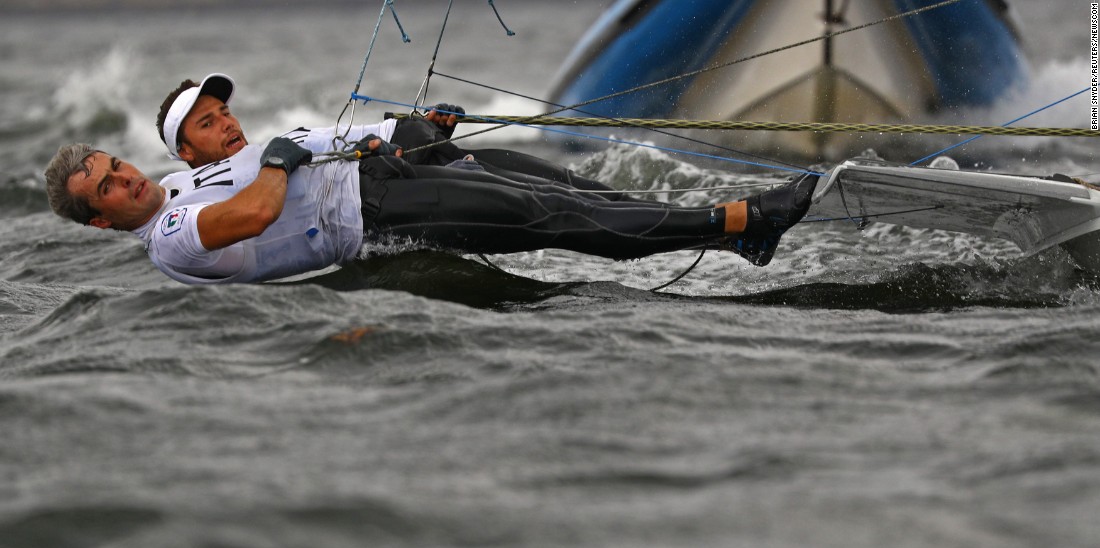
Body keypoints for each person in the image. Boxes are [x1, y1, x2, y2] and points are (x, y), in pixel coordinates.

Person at [43, 132, 817, 285]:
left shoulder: (174, 187)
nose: (125, 181)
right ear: (102, 221)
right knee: (557, 221)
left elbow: (258, 166)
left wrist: (394, 139)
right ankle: (747, 221)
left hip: (379, 185)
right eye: (106, 190)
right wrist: (282, 157)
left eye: (116, 167)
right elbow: (251, 215)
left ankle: (730, 232)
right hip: (375, 220)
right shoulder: (169, 236)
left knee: (564, 193)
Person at [156, 73, 617, 197]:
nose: (228, 123)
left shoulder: (280, 143)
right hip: (411, 189)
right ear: (185, 151)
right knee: (562, 202)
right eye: (208, 123)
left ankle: (678, 209)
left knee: (582, 187)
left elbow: (360, 134)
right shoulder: (218, 195)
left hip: (436, 156)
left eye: (224, 112)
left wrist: (430, 128)